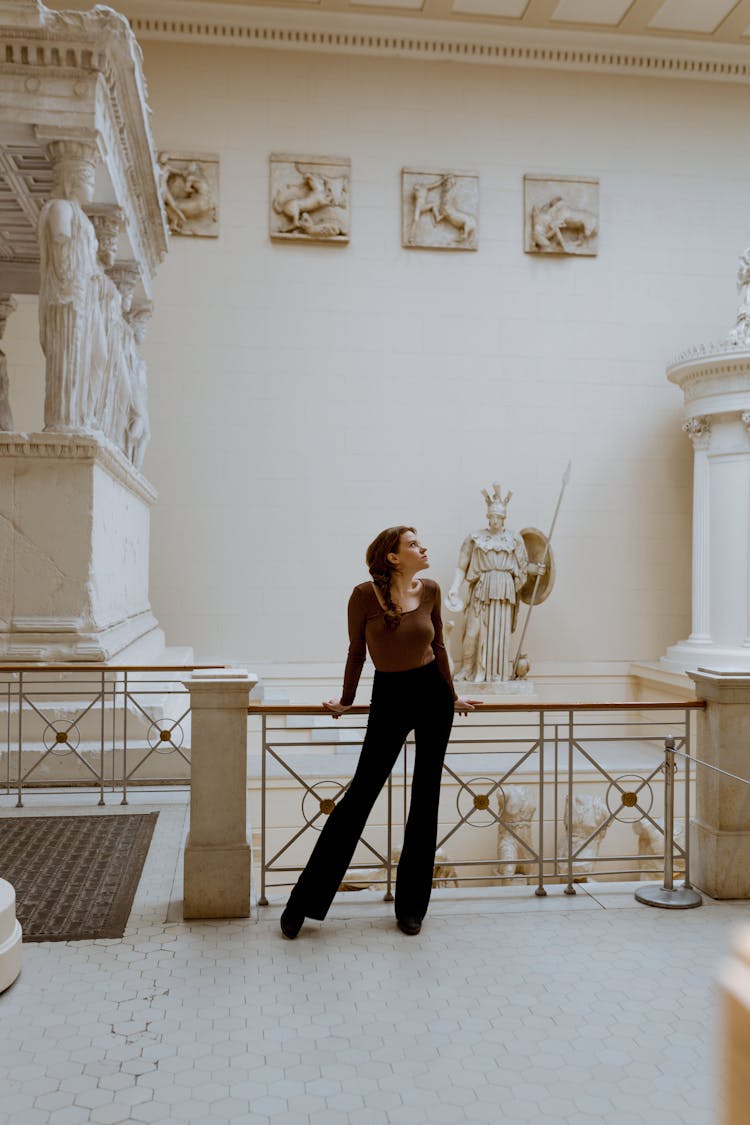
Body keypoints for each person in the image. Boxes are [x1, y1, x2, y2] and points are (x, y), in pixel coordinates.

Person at [280, 526, 478, 939]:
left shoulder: (432, 590)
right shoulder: (364, 596)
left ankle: (411, 909)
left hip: (433, 695)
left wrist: (453, 694)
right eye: (412, 544)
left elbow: (439, 645)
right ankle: (302, 903)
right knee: (359, 797)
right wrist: (347, 698)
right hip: (388, 696)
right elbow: (356, 649)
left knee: (426, 799)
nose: (423, 547)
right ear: (392, 557)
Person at [446, 485, 543, 684]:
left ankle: (495, 675)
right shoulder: (475, 537)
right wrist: (455, 588)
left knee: (499, 636)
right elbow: (462, 566)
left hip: (504, 590)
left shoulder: (514, 539)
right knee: (472, 631)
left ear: (504, 519)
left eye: (499, 518)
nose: (496, 521)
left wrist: (537, 570)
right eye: (493, 517)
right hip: (482, 588)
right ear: (488, 517)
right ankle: (468, 670)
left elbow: (522, 566)